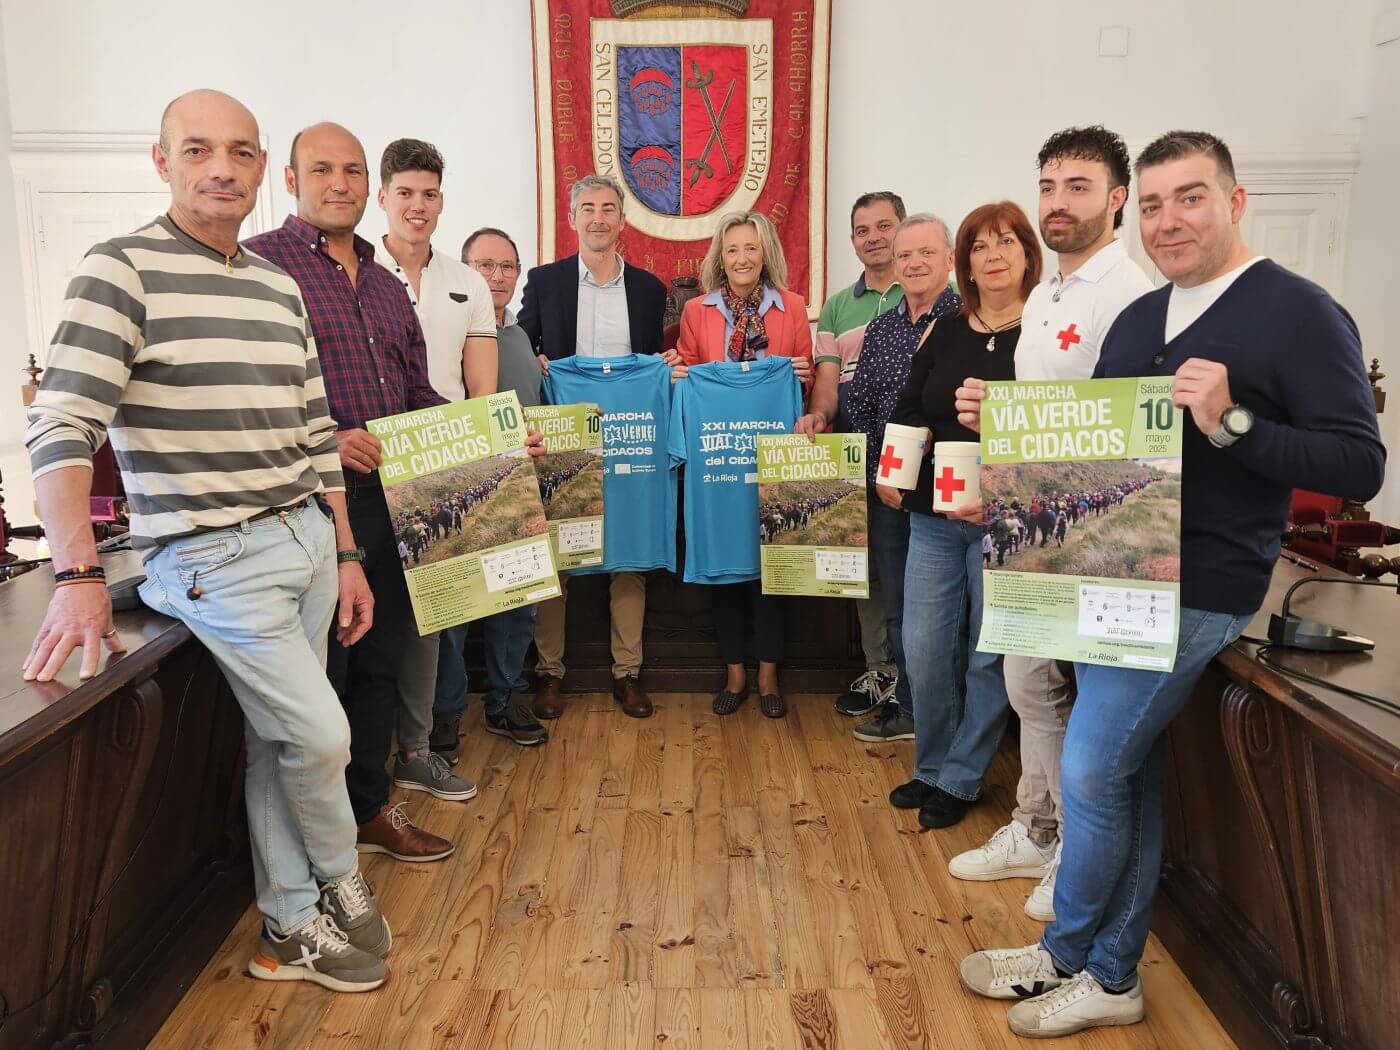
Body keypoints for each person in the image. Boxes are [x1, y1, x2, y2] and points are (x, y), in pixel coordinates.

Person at [956, 131, 1384, 1038]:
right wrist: (1012, 440)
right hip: (1109, 576)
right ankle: (1111, 974)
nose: (1167, 220)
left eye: (1188, 198)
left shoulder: (1300, 312)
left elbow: (1359, 460)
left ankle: (1071, 955)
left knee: (1091, 766)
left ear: (1234, 202)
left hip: (1204, 587)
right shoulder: (1143, 319)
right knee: (1129, 777)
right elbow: (1099, 449)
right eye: (1152, 204)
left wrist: (1231, 420)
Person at [23, 90, 389, 992]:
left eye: (239, 152)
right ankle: (335, 882)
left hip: (303, 539)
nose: (220, 168)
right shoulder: (120, 270)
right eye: (197, 150)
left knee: (278, 741)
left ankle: (288, 921)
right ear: (163, 163)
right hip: (212, 557)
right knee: (322, 735)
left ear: (263, 168)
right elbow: (61, 427)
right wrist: (75, 574)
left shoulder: (276, 286)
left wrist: (344, 552)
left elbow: (314, 432)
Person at [946, 127, 1155, 923]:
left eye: (1078, 186)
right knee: (1027, 679)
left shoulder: (1127, 292)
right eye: (1049, 185)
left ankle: (1073, 844)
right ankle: (1035, 825)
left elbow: (1116, 429)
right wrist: (995, 435)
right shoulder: (1048, 295)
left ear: (1115, 198)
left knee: (1078, 691)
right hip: (1029, 519)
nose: (1058, 202)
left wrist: (1010, 443)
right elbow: (1046, 418)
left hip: (1094, 529)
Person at [244, 122, 457, 864]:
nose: (340, 183)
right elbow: (250, 393)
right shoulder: (261, 268)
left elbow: (418, 393)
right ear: (292, 180)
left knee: (380, 664)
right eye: (323, 169)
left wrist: (494, 440)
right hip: (305, 509)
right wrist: (326, 439)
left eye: (353, 171)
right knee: (322, 674)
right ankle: (314, 841)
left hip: (390, 504)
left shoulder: (387, 283)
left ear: (370, 185)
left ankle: (369, 810)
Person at [884, 201, 1043, 830]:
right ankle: (931, 762)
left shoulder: (1046, 332)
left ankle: (962, 775)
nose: (993, 256)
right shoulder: (945, 330)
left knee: (986, 653)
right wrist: (893, 472)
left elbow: (1059, 425)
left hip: (1005, 517)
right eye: (980, 247)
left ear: (1028, 255)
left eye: (1006, 243)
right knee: (923, 649)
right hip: (932, 512)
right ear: (966, 263)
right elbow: (910, 404)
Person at [371, 138, 496, 804]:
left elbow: (480, 395)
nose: (417, 207)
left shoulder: (466, 281)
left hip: (439, 469)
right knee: (364, 619)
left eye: (429, 195)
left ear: (441, 201)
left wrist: (492, 453)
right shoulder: (352, 275)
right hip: (366, 469)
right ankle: (359, 764)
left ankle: (417, 751)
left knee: (430, 620)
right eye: (405, 194)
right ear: (382, 198)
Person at [517, 174, 667, 720]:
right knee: (557, 551)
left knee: (628, 557)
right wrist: (533, 360)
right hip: (564, 437)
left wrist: (663, 374)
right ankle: (550, 672)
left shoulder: (651, 290)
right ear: (572, 217)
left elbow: (653, 363)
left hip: (631, 435)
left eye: (609, 208)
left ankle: (628, 672)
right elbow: (522, 345)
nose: (598, 217)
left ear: (622, 219)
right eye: (588, 208)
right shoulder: (544, 280)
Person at [821, 213, 963, 743]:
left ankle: (947, 717)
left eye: (927, 253)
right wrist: (877, 469)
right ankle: (908, 708)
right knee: (901, 607)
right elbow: (858, 404)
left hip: (947, 496)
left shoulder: (968, 322)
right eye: (906, 256)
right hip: (886, 491)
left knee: (948, 613)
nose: (914, 263)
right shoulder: (880, 329)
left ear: (950, 258)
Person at [664, 211, 812, 717]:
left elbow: (804, 385)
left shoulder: (792, 309)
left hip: (772, 456)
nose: (742, 258)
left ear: (766, 252)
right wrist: (680, 373)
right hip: (717, 461)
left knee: (769, 566)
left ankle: (769, 678)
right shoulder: (697, 312)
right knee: (724, 570)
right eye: (732, 249)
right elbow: (685, 370)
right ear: (719, 257)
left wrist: (800, 373)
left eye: (751, 248)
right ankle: (734, 675)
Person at [430, 226, 551, 762]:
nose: (496, 276)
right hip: (461, 488)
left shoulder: (523, 338)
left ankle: (505, 700)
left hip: (518, 490)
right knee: (455, 610)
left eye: (507, 267)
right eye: (485, 265)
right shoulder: (445, 332)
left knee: (516, 603)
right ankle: (446, 712)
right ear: (465, 271)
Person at [804, 191, 909, 717]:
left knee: (919, 569)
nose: (874, 237)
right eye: (862, 230)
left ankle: (921, 683)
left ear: (904, 229)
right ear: (852, 240)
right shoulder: (837, 306)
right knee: (870, 567)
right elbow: (827, 380)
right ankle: (880, 670)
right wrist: (820, 417)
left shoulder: (938, 291)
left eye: (884, 226)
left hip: (917, 447)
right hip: (857, 449)